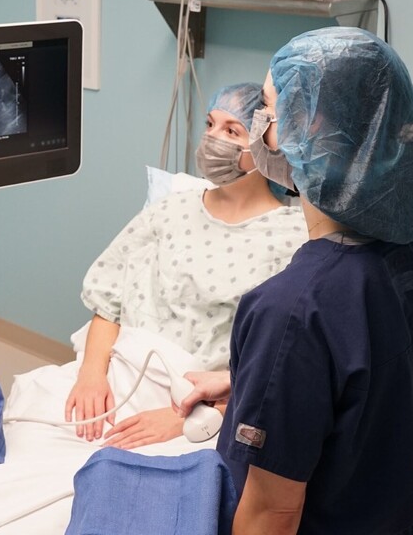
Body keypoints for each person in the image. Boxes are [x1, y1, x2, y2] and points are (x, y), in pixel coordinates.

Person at [178, 27, 413, 535]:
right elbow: (373, 382)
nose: (261, 123)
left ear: (310, 131)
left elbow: (272, 514)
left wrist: (279, 365)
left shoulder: (292, 310)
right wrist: (257, 381)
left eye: (266, 107)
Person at [65, 82, 307, 449]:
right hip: (118, 370)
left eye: (231, 130)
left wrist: (191, 417)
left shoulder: (293, 237)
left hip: (202, 404)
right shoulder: (171, 209)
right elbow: (108, 299)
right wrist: (90, 375)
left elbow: (281, 361)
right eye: (210, 125)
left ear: (266, 143)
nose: (213, 139)